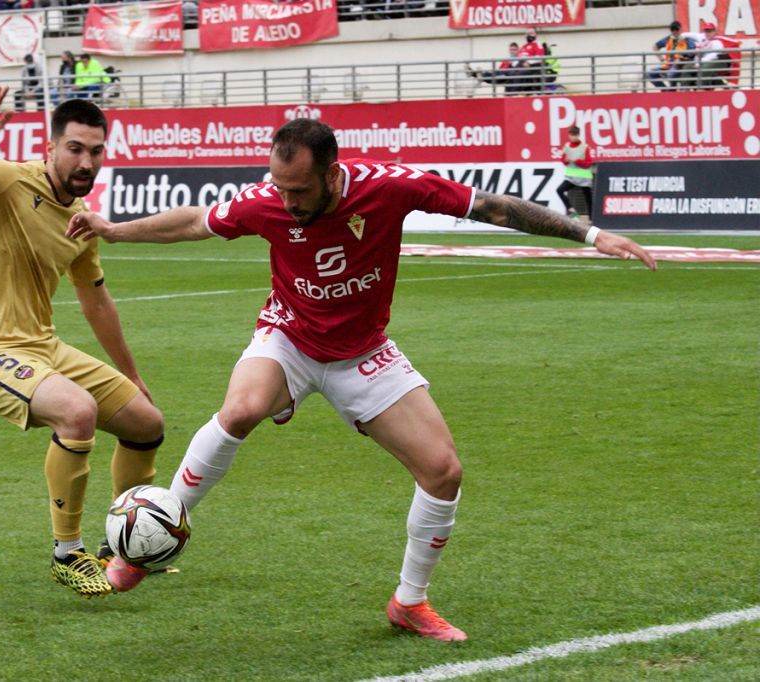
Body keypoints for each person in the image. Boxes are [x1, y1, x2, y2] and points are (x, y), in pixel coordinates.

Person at [66, 118, 656, 639]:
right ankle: (146, 548)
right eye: (280, 186)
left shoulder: (389, 187)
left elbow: (495, 208)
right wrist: (115, 230)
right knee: (242, 409)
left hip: (361, 353)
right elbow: (197, 221)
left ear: (332, 173)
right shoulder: (269, 200)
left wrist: (590, 234)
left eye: (299, 189)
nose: (288, 200)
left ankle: (410, 602)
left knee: (443, 471)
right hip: (288, 338)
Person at [0, 88, 163, 598]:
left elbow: (95, 300)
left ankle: (122, 546)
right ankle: (67, 553)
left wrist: (132, 374)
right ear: (50, 147)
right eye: (74, 148)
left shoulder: (82, 219)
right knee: (77, 411)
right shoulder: (4, 179)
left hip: (41, 347)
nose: (85, 160)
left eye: (95, 151)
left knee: (146, 422)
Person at [556, 125, 593, 220]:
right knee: (559, 190)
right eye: (572, 135)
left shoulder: (584, 147)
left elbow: (588, 163)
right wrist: (567, 160)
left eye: (575, 135)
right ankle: (571, 209)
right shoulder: (567, 146)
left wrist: (576, 160)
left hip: (583, 177)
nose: (573, 137)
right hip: (571, 177)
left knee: (588, 198)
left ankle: (592, 219)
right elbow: (563, 160)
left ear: (579, 135)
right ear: (569, 135)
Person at [686, 22, 738, 89]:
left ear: (714, 31)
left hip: (720, 61)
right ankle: (686, 91)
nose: (707, 33)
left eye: (710, 31)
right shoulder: (703, 40)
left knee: (705, 69)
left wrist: (699, 62)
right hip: (707, 61)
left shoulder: (718, 42)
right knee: (687, 68)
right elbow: (692, 35)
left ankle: (701, 91)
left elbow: (713, 55)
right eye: (706, 31)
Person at [647, 21, 696, 90]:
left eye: (677, 29)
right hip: (668, 64)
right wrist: (662, 59)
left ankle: (672, 90)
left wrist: (681, 59)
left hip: (680, 65)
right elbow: (655, 46)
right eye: (673, 30)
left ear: (680, 29)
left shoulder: (687, 39)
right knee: (650, 74)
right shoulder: (669, 38)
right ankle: (666, 91)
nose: (675, 31)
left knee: (670, 74)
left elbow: (692, 53)